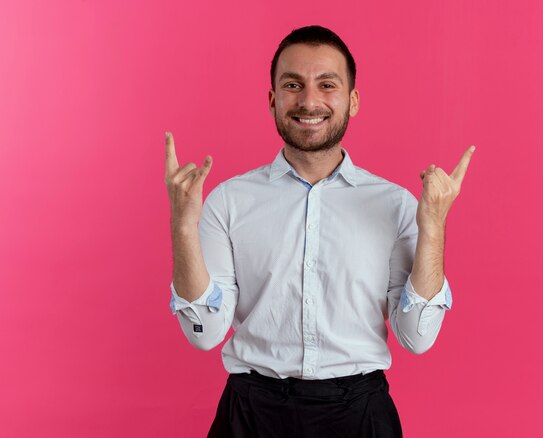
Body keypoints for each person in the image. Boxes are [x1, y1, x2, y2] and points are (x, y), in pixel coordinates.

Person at [164, 25, 475, 438]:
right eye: (293, 84)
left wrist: (433, 227)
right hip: (251, 416)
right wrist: (183, 226)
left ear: (353, 100)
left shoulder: (396, 205)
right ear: (273, 99)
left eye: (327, 84)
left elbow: (417, 338)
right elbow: (205, 334)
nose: (309, 101)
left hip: (360, 415)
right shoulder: (228, 201)